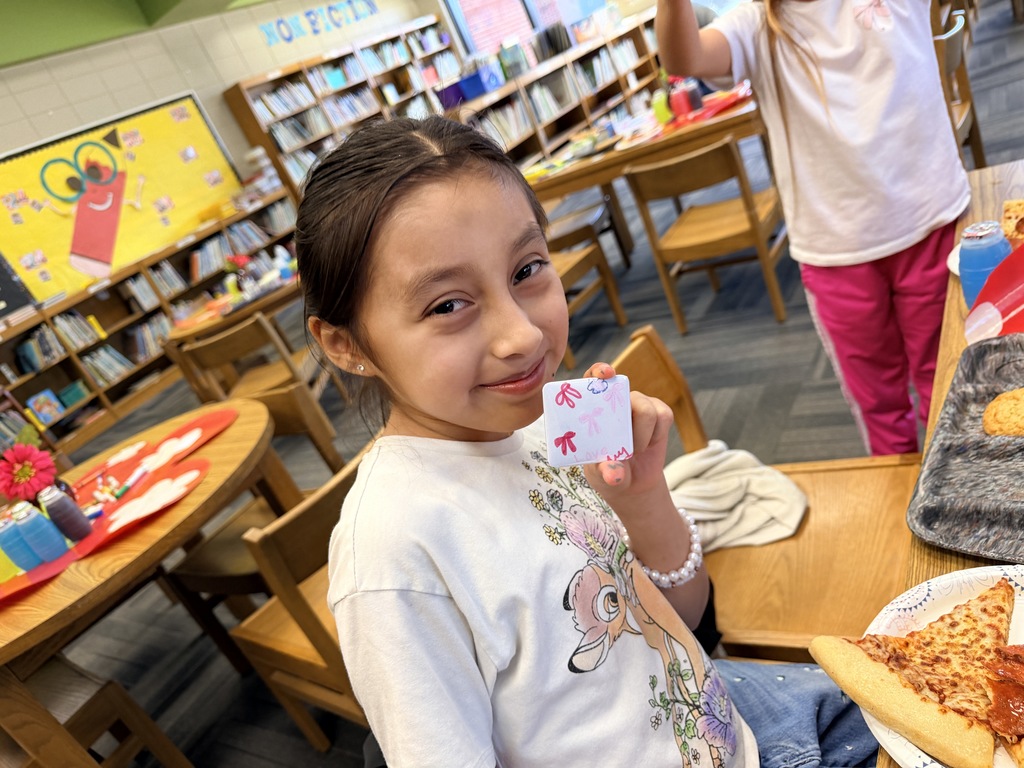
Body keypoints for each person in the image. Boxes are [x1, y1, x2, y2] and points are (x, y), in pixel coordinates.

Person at [299, 115, 878, 767]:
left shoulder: (547, 420)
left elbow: (685, 622)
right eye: (446, 305)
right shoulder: (396, 553)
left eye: (527, 268)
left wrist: (643, 499)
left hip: (737, 719)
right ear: (345, 346)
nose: (521, 335)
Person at [655, 0, 970, 456]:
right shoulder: (757, 23)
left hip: (929, 224)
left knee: (946, 387)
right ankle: (905, 505)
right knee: (879, 409)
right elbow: (684, 59)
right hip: (836, 253)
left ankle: (955, 496)